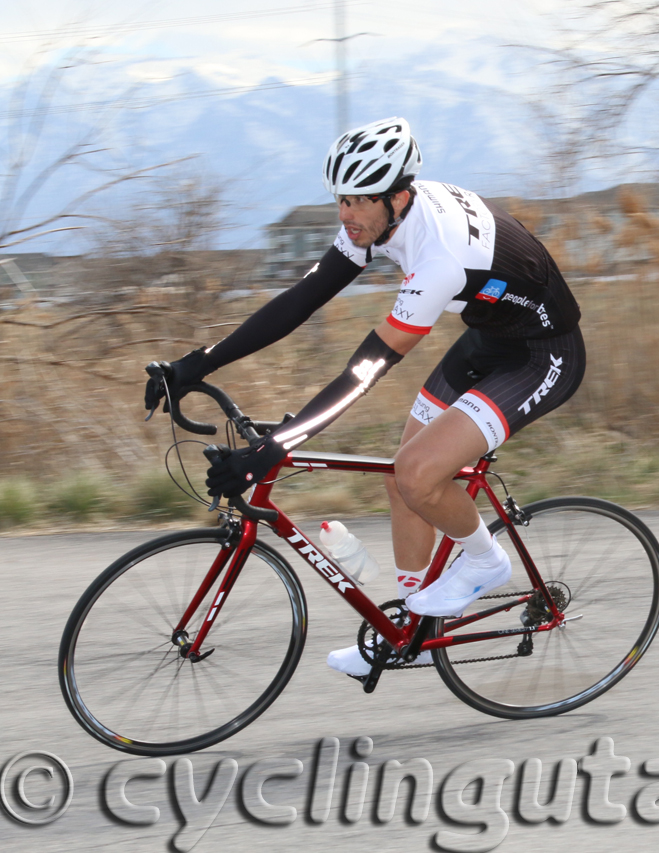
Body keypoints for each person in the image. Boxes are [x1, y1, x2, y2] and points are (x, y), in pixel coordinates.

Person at [143, 117, 585, 677]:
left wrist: (275, 446)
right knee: (400, 481)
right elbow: (301, 299)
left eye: (358, 202)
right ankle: (402, 629)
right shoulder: (380, 220)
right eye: (340, 200)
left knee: (418, 471)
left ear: (398, 197)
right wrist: (195, 364)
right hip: (490, 337)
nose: (345, 215)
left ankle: (485, 562)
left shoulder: (437, 259)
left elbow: (365, 370)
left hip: (543, 356)